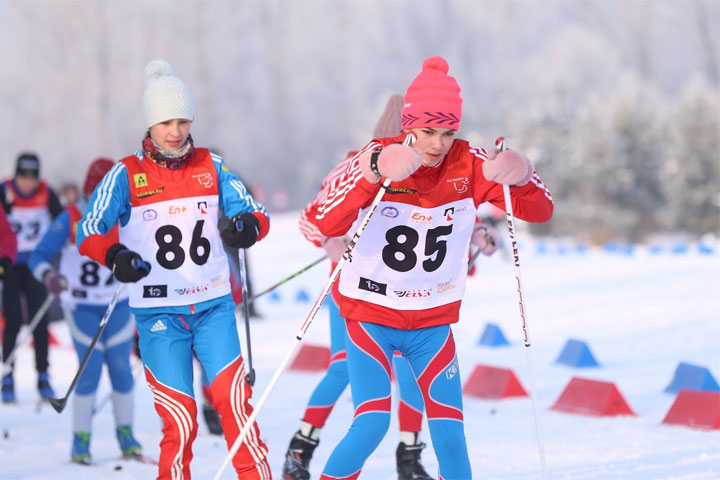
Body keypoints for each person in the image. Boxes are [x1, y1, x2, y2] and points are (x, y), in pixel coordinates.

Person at [313, 56, 554, 480]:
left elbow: (540, 210)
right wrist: (373, 174)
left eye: (448, 132)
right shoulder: (378, 157)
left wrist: (521, 176)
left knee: (450, 439)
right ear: (408, 125)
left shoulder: (468, 162)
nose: (437, 143)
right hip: (371, 317)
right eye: (427, 131)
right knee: (371, 424)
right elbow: (325, 222)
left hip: (432, 325)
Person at [285, 95, 499, 480]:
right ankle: (301, 446)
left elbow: (443, 219)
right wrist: (328, 241)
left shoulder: (434, 169)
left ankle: (408, 453)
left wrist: (478, 233)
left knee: (413, 377)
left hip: (413, 299)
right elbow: (310, 219)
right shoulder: (356, 164)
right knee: (341, 371)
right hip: (353, 293)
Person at [76, 59, 272, 479]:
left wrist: (247, 227)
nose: (176, 131)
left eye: (183, 120)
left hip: (213, 307)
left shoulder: (211, 165)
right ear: (150, 124)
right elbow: (89, 228)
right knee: (180, 421)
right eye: (166, 121)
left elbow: (254, 211)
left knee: (235, 404)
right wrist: (114, 256)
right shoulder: (126, 174)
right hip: (159, 314)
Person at [28, 158, 143, 464]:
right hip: (81, 305)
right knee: (89, 370)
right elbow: (38, 256)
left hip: (117, 303)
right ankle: (81, 439)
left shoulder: (127, 215)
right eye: (97, 195)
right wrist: (50, 276)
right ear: (88, 191)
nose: (103, 203)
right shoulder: (70, 217)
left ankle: (126, 435)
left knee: (120, 368)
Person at [1, 152, 64, 403]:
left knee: (40, 320)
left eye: (32, 178)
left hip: (36, 263)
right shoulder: (4, 190)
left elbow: (62, 219)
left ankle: (43, 375)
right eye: (23, 177)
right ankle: (7, 374)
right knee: (13, 320)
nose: (27, 183)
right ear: (16, 176)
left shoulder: (46, 192)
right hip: (11, 264)